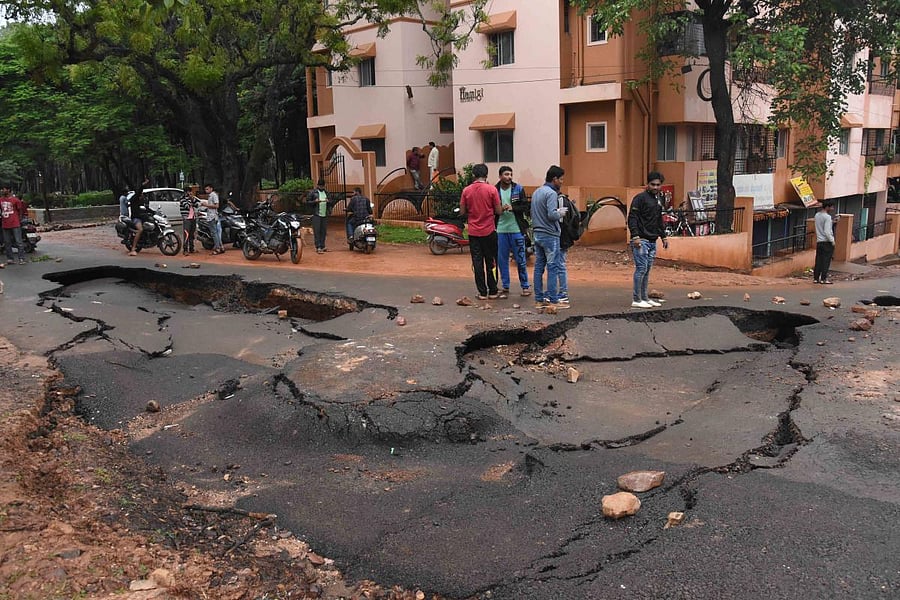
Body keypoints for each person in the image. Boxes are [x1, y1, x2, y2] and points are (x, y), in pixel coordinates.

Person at [459, 163, 501, 300]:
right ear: (486, 175)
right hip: (489, 231)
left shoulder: (466, 191)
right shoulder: (492, 190)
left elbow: (462, 211)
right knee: (491, 262)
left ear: (473, 175)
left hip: (473, 232)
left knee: (477, 262)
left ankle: (482, 292)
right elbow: (498, 210)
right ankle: (493, 291)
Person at [627, 171, 668, 308]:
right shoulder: (640, 199)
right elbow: (632, 218)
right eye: (653, 184)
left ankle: (644, 297)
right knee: (641, 269)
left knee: (646, 270)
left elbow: (658, 219)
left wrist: (663, 236)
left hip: (652, 240)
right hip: (641, 240)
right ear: (647, 184)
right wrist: (635, 236)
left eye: (658, 185)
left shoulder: (658, 199)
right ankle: (637, 299)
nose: (655, 187)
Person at [530, 165, 569, 310]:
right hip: (550, 235)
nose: (562, 182)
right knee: (552, 267)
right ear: (555, 179)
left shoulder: (537, 192)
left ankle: (539, 300)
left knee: (539, 267)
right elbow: (552, 215)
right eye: (561, 179)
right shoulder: (551, 193)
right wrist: (561, 212)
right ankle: (553, 300)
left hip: (537, 234)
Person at [495, 166, 530, 298]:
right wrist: (500, 209)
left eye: (510, 174)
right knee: (502, 260)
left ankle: (525, 286)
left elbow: (525, 206)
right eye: (506, 174)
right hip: (500, 230)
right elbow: (491, 208)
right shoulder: (494, 190)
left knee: (520, 259)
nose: (509, 177)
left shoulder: (518, 189)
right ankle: (505, 286)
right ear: (500, 176)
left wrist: (513, 208)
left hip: (516, 229)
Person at [556, 193, 581, 306]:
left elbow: (562, 221)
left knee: (560, 265)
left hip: (562, 238)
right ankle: (561, 292)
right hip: (563, 238)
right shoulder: (561, 199)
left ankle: (563, 293)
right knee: (559, 265)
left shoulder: (560, 200)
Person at [1, 186, 27, 265]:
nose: (2, 191)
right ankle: (10, 259)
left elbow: (20, 211)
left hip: (15, 223)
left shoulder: (15, 200)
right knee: (7, 242)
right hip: (5, 224)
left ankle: (21, 258)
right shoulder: (1, 200)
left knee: (19, 241)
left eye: (3, 189)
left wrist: (19, 220)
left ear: (8, 190)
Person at [813, 200, 836, 284]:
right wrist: (832, 241)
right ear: (827, 207)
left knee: (818, 260)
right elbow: (827, 231)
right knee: (826, 261)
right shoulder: (827, 217)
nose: (832, 209)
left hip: (819, 241)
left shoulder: (817, 215)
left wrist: (832, 222)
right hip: (827, 242)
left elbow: (821, 226)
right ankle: (823, 279)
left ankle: (816, 278)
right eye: (831, 207)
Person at [127, 184, 152, 256]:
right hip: (136, 218)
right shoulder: (134, 200)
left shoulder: (140, 202)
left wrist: (154, 212)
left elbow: (147, 209)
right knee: (140, 230)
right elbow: (138, 192)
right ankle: (133, 249)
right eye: (141, 194)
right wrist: (143, 185)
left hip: (141, 218)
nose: (142, 196)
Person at [307, 179, 329, 253]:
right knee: (317, 231)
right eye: (320, 186)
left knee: (323, 231)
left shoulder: (326, 192)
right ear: (318, 185)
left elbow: (331, 201)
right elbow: (308, 202)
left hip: (324, 214)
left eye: (323, 186)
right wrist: (315, 201)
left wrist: (328, 201)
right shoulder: (313, 192)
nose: (321, 187)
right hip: (316, 214)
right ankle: (318, 246)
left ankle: (323, 245)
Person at [201, 183, 223, 255]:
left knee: (214, 233)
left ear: (211, 188)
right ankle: (221, 247)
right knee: (215, 233)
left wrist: (206, 205)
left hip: (212, 216)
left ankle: (217, 248)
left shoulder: (213, 195)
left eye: (207, 189)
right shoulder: (210, 196)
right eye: (205, 189)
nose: (206, 190)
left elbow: (216, 206)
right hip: (211, 216)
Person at [179, 188, 200, 255]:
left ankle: (191, 248)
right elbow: (187, 206)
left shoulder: (192, 198)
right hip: (186, 218)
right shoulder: (182, 198)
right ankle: (185, 249)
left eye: (190, 192)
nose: (190, 193)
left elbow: (197, 205)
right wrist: (190, 199)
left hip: (193, 217)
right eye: (188, 192)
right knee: (186, 234)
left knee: (192, 234)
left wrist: (192, 199)